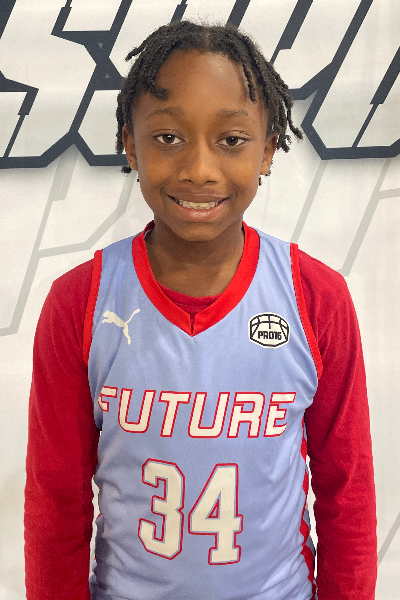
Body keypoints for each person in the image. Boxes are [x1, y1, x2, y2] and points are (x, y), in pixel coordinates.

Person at [24, 20, 377, 600]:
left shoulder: (316, 298)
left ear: (267, 150)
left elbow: (348, 492)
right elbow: (56, 502)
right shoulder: (78, 303)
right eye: (168, 137)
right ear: (130, 144)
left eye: (231, 140)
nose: (199, 169)